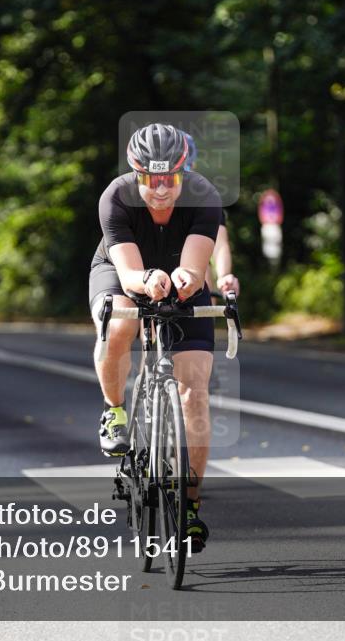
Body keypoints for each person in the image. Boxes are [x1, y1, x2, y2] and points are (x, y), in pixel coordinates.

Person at [90, 123, 220, 551]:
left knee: (194, 393)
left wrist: (186, 277)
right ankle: (115, 411)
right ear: (136, 173)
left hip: (178, 269)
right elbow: (128, 274)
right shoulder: (116, 197)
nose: (161, 189)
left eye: (170, 179)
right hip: (123, 270)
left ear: (183, 173)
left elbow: (195, 267)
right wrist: (148, 279)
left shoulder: (205, 197)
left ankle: (189, 506)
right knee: (123, 318)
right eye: (150, 178)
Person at [181, 132, 240, 302]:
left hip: (194, 268)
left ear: (193, 166)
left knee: (201, 272)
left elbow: (219, 245)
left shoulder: (205, 198)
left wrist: (224, 276)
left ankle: (204, 319)